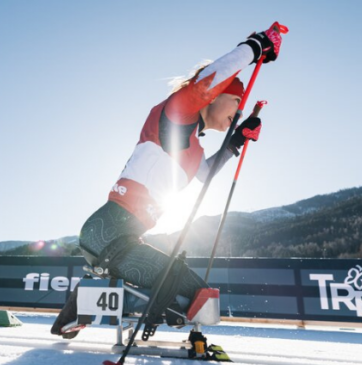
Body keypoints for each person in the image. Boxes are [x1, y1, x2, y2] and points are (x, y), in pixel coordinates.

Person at [52, 27, 283, 345]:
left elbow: (205, 176)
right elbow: (207, 82)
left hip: (127, 236)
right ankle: (96, 299)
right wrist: (254, 48)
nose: (238, 110)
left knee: (201, 292)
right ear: (214, 95)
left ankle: (88, 299)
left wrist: (237, 140)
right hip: (107, 230)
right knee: (184, 289)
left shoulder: (194, 147)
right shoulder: (175, 114)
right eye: (235, 101)